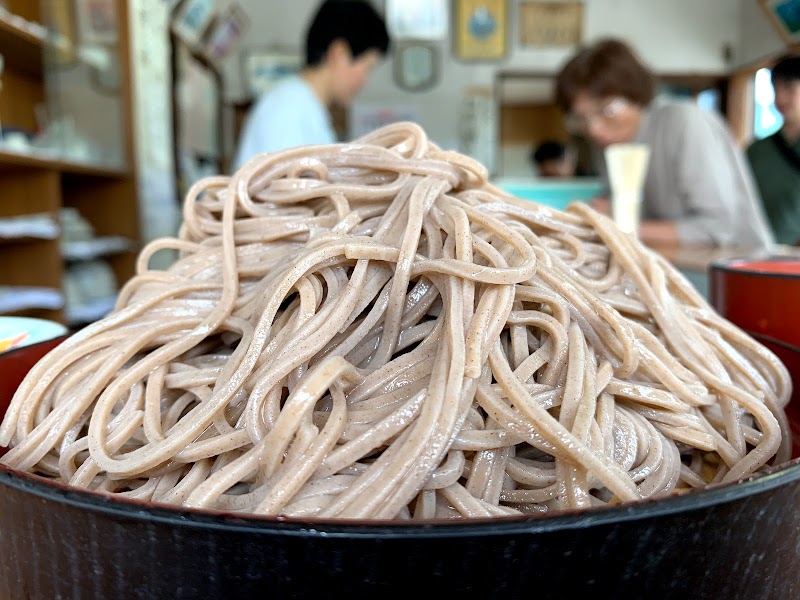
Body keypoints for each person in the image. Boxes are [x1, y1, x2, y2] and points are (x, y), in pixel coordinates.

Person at [555, 39, 773, 249]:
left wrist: (621, 225)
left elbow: (721, 226)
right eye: (580, 118)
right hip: (675, 269)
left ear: (636, 95)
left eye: (606, 109)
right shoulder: (608, 145)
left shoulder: (682, 121)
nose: (593, 129)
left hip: (741, 273)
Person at [233, 0, 390, 170]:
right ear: (340, 54)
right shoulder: (290, 106)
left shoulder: (305, 105)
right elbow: (292, 190)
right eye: (368, 67)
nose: (365, 81)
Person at [747, 54, 800, 246]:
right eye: (775, 88)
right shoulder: (756, 151)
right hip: (760, 250)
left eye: (789, 87)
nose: (780, 97)